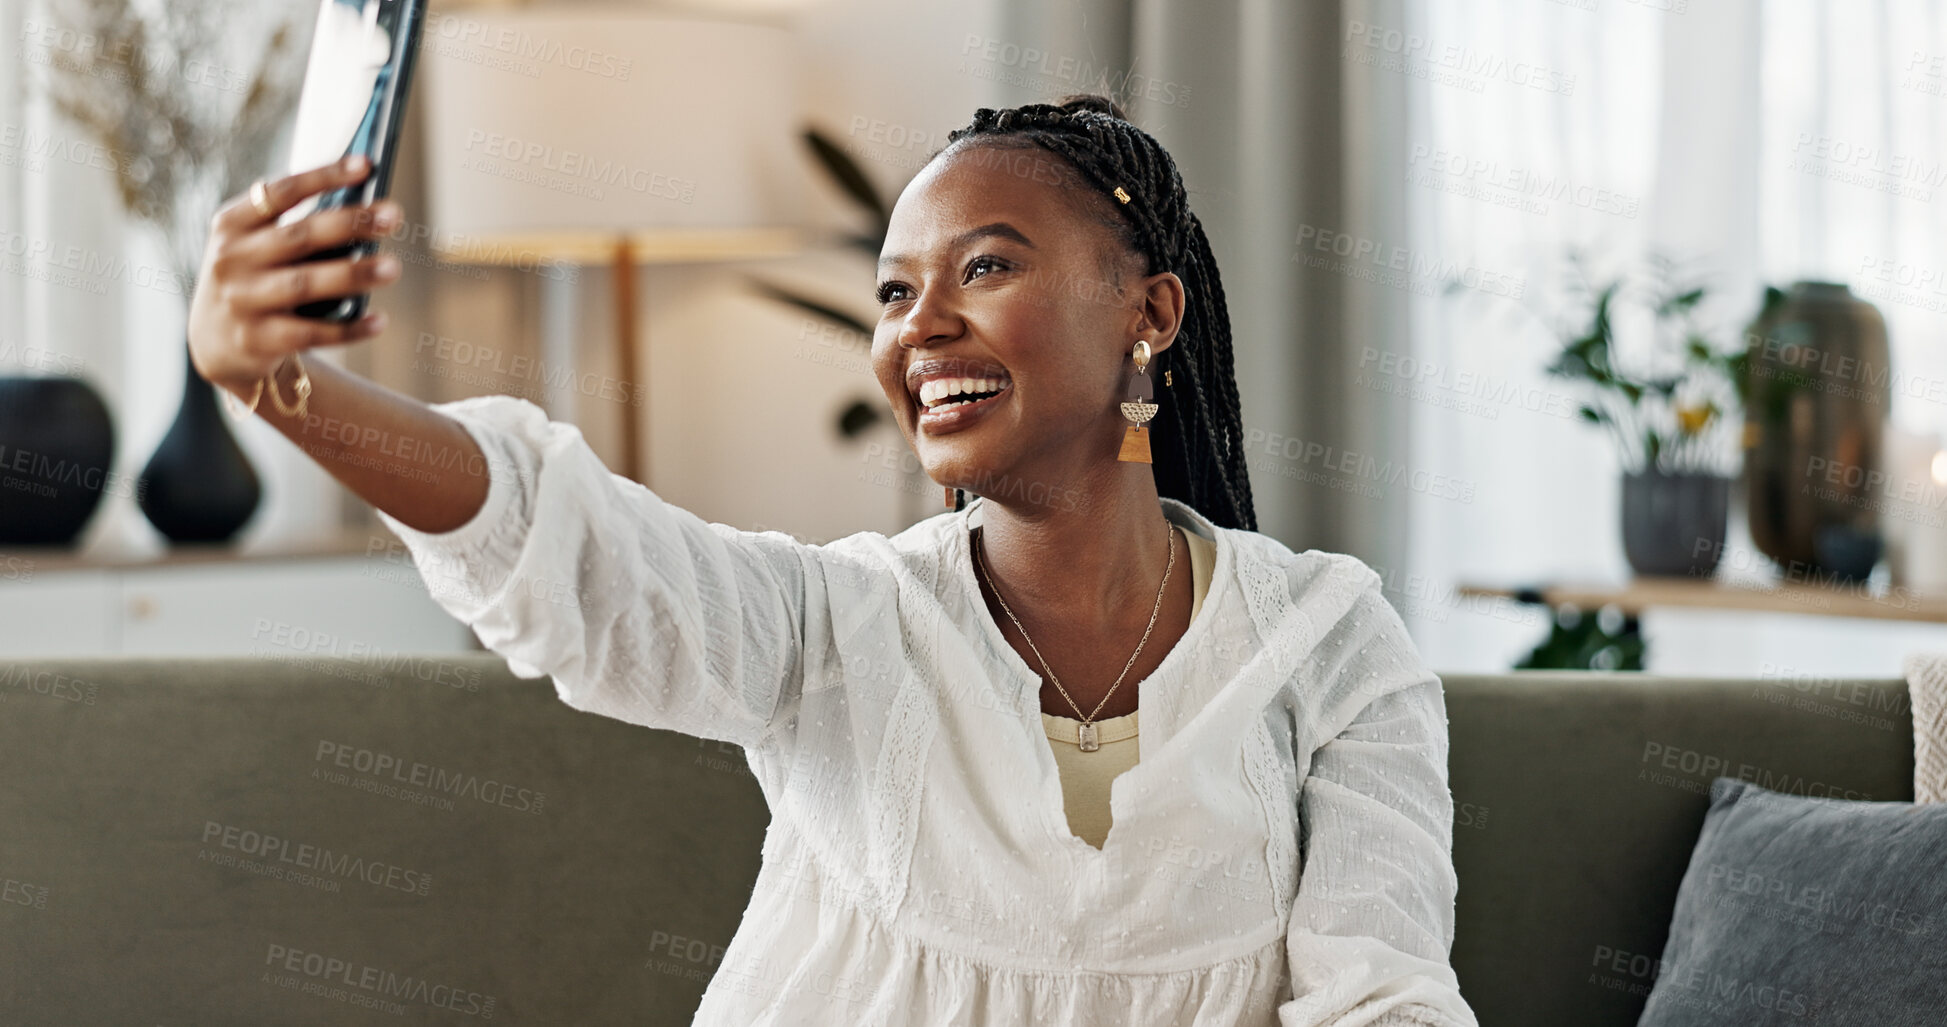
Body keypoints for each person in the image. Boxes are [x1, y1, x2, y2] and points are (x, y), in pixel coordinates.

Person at [188, 93, 1477, 1026]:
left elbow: (1386, 999)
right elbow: (580, 557)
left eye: (985, 267)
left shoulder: (1330, 642)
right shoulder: (839, 626)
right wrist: (284, 387)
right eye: (895, 293)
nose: (924, 329)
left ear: (1150, 312)